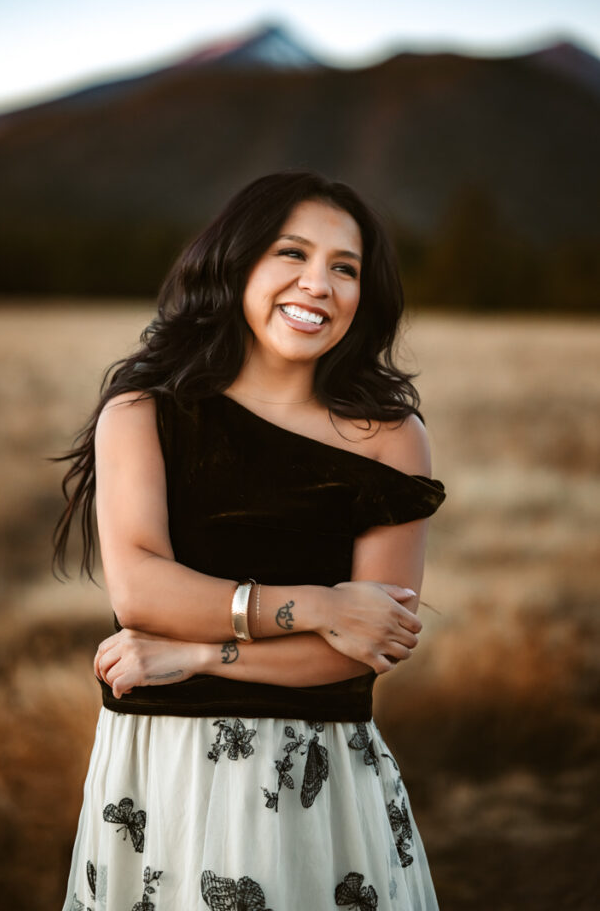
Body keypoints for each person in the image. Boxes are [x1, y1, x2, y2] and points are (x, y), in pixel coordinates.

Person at [52, 170, 447, 911]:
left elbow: (364, 651)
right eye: (290, 254)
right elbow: (142, 590)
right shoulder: (143, 414)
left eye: (345, 268)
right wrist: (323, 605)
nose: (318, 284)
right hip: (159, 774)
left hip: (314, 780)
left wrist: (197, 653)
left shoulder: (389, 437)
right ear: (238, 264)